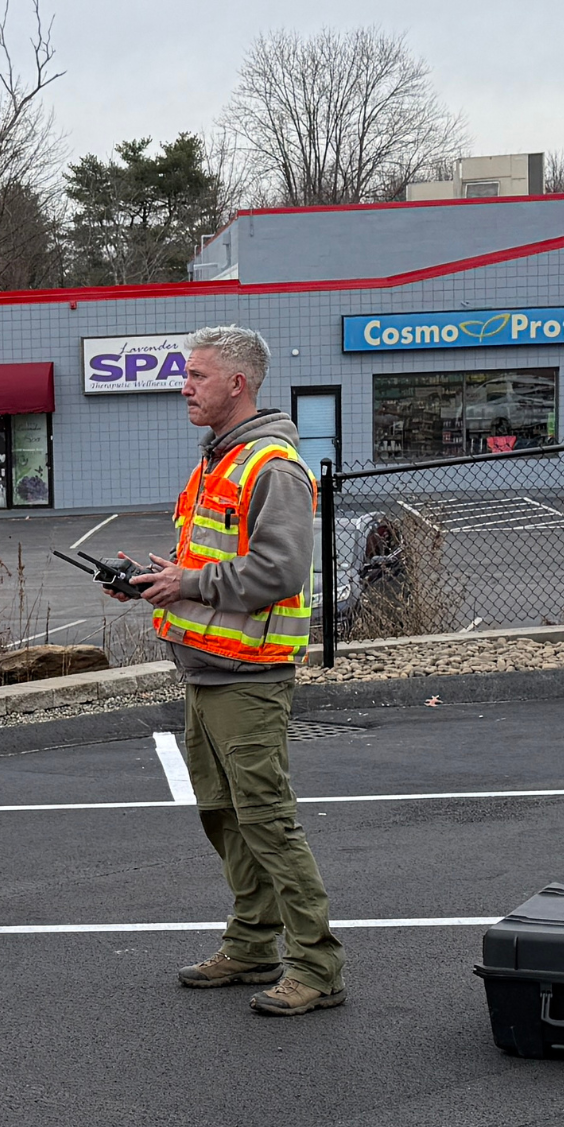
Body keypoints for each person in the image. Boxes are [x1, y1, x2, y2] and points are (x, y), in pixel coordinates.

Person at [112, 324, 345, 1015]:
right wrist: (158, 578)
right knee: (223, 814)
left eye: (198, 376)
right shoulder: (219, 459)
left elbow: (278, 571)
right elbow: (215, 561)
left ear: (237, 384)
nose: (185, 386)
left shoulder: (269, 465)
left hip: (249, 675)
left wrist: (190, 584)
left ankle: (317, 965)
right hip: (208, 668)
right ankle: (251, 944)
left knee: (267, 820)